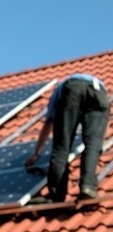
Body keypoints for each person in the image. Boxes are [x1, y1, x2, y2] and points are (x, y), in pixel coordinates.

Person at [26, 73, 109, 203]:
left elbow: (48, 124)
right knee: (93, 143)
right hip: (99, 91)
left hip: (72, 90)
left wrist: (36, 153)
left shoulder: (58, 92)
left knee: (62, 145)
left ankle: (56, 194)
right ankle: (88, 188)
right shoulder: (93, 84)